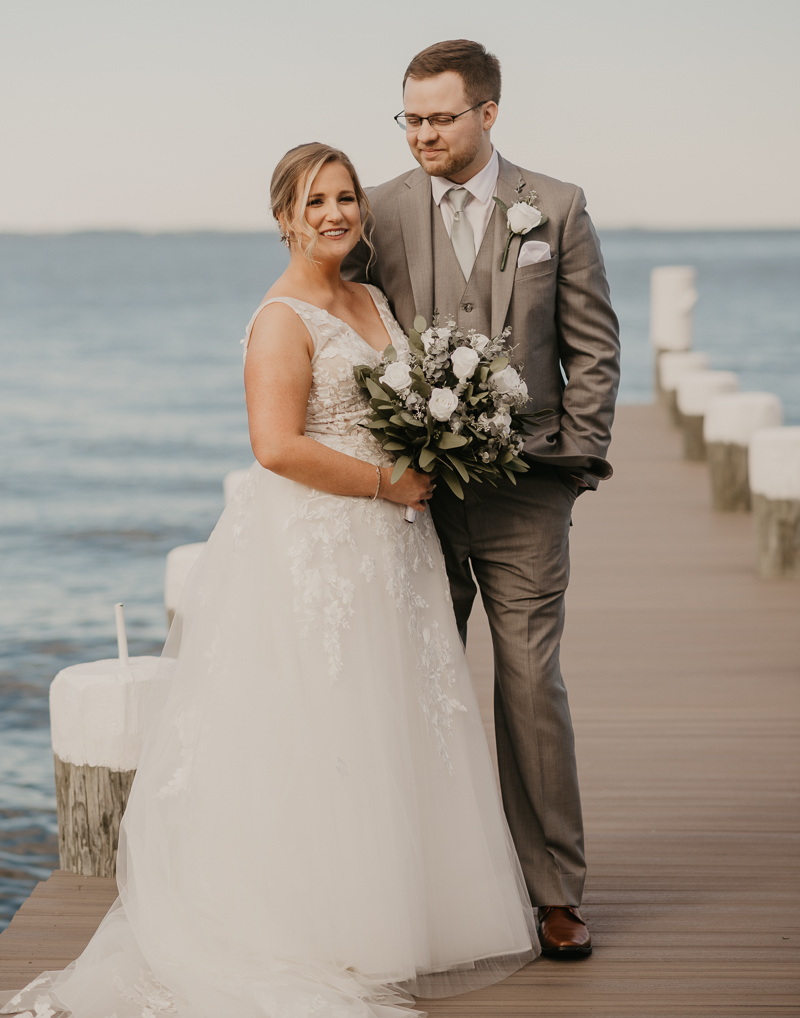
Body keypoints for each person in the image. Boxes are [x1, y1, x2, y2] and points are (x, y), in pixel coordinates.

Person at [1, 143, 538, 1018]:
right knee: (317, 728)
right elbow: (276, 447)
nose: (335, 213)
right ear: (284, 216)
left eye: (347, 198)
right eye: (315, 201)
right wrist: (388, 482)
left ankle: (390, 915)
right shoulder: (283, 317)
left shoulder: (369, 298)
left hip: (392, 548)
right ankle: (309, 924)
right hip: (321, 544)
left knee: (385, 727)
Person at [343, 40, 621, 957]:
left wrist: (576, 462)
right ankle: (424, 889)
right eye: (410, 117)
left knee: (529, 682)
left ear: (488, 114)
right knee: (414, 684)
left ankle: (555, 892)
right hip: (412, 496)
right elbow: (339, 335)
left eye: (439, 117)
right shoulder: (376, 210)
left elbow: (594, 347)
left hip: (529, 491)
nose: (421, 133)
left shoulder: (557, 206)